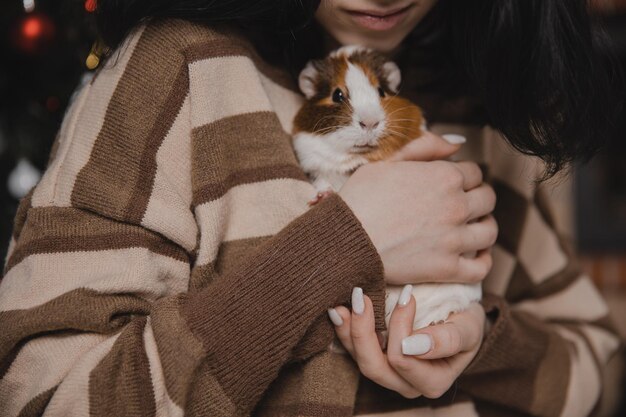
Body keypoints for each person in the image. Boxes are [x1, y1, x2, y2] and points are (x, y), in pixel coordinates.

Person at [0, 1, 621, 416]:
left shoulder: (488, 102)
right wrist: (338, 248)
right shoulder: (178, 69)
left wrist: (479, 342)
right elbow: (46, 398)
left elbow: (596, 359)